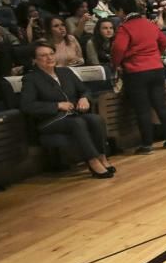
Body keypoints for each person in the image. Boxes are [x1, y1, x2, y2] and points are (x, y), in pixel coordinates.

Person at [20, 44, 115, 178]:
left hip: (73, 115)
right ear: (34, 60)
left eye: (51, 53)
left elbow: (85, 90)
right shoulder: (31, 79)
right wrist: (57, 105)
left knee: (95, 119)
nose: (49, 57)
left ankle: (102, 157)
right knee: (77, 123)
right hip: (50, 120)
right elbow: (27, 105)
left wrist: (84, 98)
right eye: (43, 55)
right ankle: (92, 161)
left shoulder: (66, 72)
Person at [111, 0, 166, 153]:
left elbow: (119, 48)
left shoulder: (125, 27)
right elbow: (165, 41)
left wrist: (116, 64)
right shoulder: (149, 24)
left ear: (122, 10)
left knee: (142, 109)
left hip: (136, 71)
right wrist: (156, 54)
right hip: (156, 69)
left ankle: (147, 145)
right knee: (161, 105)